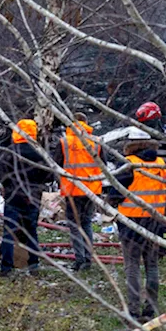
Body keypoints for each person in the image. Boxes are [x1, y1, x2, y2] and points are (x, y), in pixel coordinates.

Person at [111, 129, 166, 320]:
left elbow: (115, 192)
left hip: (131, 222)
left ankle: (133, 311)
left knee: (132, 266)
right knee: (152, 265)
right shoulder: (161, 164)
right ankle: (151, 309)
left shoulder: (129, 164)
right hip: (156, 221)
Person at [0, 118, 51, 277]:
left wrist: (9, 185)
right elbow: (50, 175)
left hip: (13, 197)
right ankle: (34, 264)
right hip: (33, 198)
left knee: (8, 233)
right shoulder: (40, 153)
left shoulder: (10, 152)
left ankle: (6, 268)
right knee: (31, 230)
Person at [58, 114, 104, 272]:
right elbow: (103, 165)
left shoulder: (64, 142)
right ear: (87, 123)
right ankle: (88, 258)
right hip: (91, 189)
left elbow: (55, 164)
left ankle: (79, 259)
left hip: (72, 190)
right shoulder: (96, 142)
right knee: (86, 223)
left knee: (74, 225)